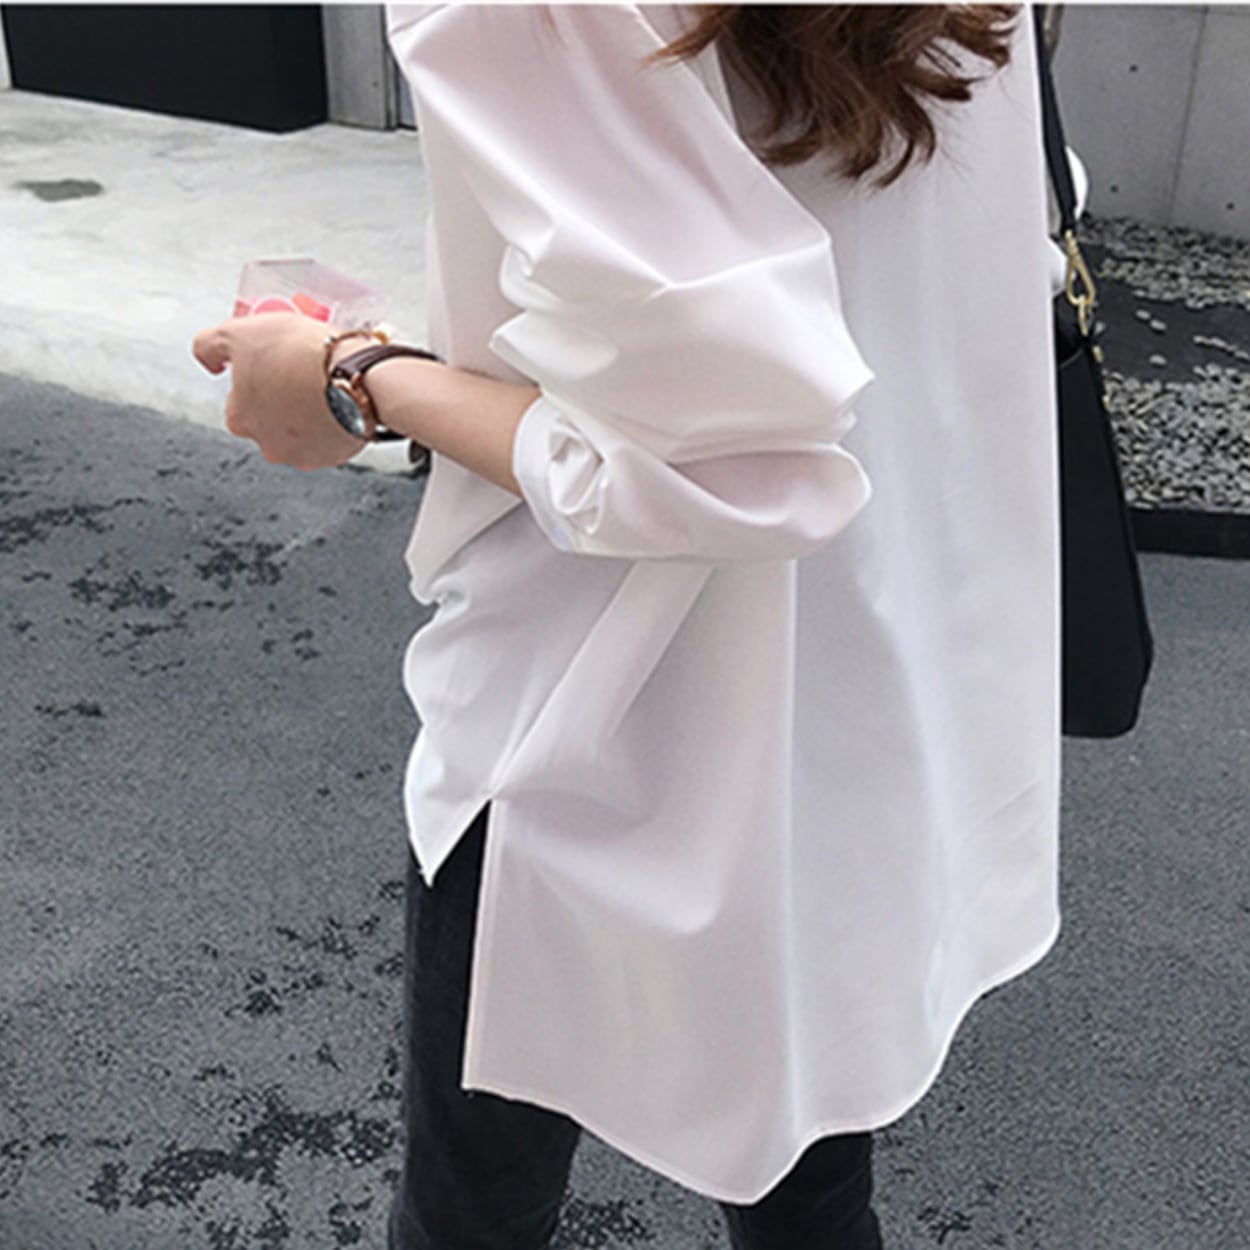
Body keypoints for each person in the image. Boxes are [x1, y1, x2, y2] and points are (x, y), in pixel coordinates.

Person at [193, 4, 1060, 1247]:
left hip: (585, 698)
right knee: (809, 1182)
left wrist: (354, 377)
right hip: (870, 676)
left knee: (473, 1211)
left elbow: (712, 467)